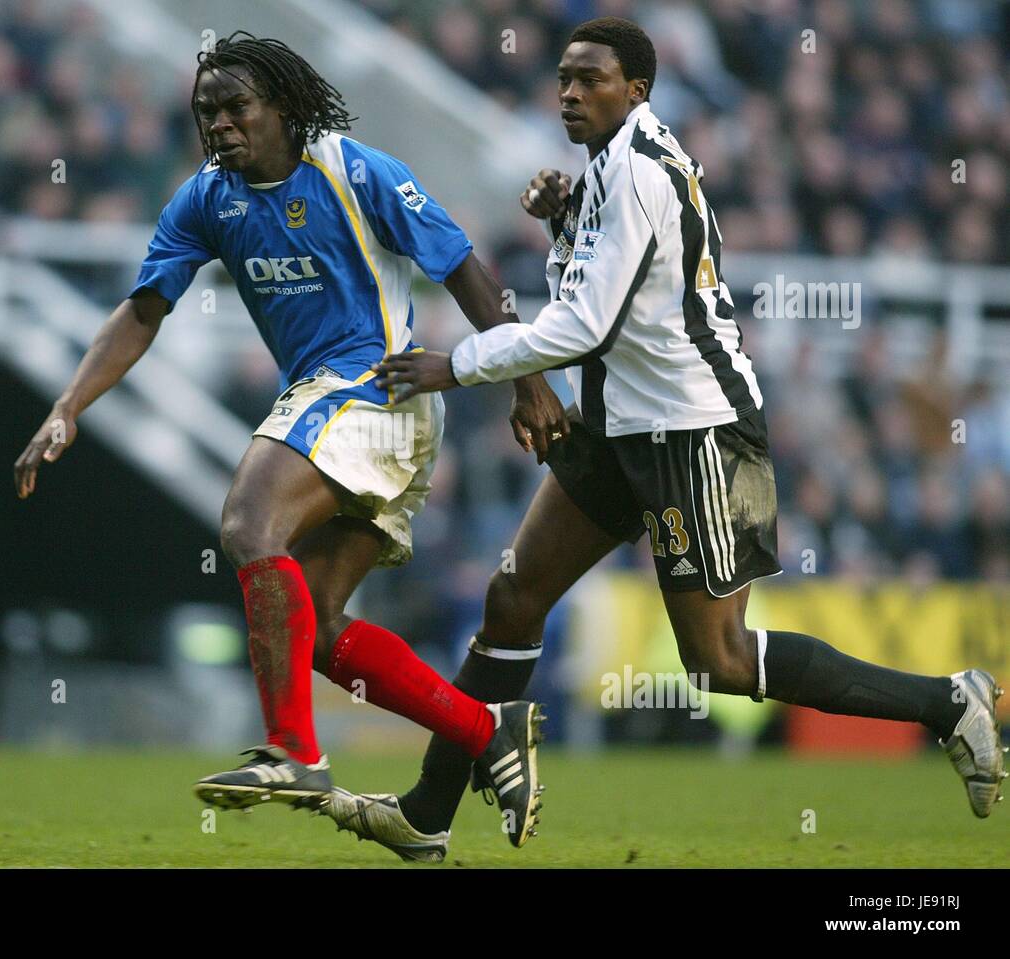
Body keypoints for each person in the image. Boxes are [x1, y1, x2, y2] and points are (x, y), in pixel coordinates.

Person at [330, 16, 1006, 861]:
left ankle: (948, 701)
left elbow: (585, 323)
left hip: (696, 433)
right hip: (619, 426)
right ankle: (428, 813)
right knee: (512, 599)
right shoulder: (611, 169)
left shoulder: (643, 173)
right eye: (566, 79)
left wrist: (457, 363)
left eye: (593, 80)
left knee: (717, 660)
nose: (571, 94)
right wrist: (566, 226)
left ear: (637, 90)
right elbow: (607, 294)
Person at [13, 32, 566, 845]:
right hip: (332, 406)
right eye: (208, 112)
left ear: (284, 107)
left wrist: (529, 379)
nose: (221, 125)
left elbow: (464, 268)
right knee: (320, 624)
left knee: (247, 523)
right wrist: (68, 405)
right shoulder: (205, 199)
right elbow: (142, 310)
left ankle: (295, 751)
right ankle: (485, 733)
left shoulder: (356, 170)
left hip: (381, 387)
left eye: (237, 108)